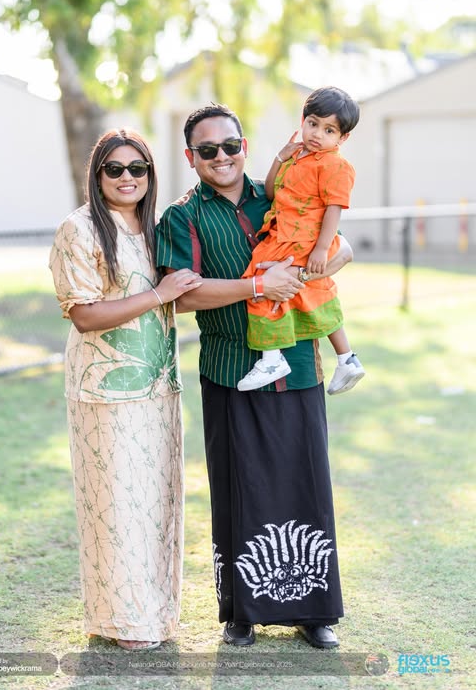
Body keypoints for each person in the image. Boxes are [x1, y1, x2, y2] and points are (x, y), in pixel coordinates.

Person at [156, 103, 351, 650]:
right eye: (209, 150)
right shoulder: (182, 217)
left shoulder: (283, 191)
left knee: (306, 481)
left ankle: (315, 613)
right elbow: (185, 293)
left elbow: (343, 245)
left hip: (298, 367)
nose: (223, 158)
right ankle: (241, 612)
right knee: (239, 486)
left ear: (245, 147)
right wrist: (259, 287)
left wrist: (317, 267)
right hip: (229, 367)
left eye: (231, 146)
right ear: (191, 157)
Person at [49, 129, 201, 652]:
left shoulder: (153, 229)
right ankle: (121, 621)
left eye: (139, 168)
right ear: (97, 175)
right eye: (115, 169)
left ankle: (151, 616)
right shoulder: (81, 228)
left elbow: (176, 298)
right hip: (105, 393)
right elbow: (86, 315)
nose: (128, 177)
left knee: (156, 505)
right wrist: (160, 292)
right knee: (114, 508)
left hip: (158, 387)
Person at [237, 86, 365, 394]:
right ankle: (347, 359)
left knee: (262, 284)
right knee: (315, 293)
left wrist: (321, 248)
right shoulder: (297, 157)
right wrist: (281, 157)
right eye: (313, 123)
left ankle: (272, 357)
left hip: (304, 240)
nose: (317, 133)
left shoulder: (334, 165)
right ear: (302, 121)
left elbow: (335, 207)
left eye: (329, 129)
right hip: (285, 234)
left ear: (342, 138)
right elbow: (270, 192)